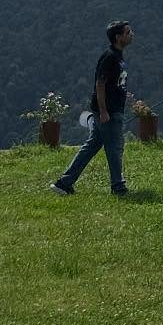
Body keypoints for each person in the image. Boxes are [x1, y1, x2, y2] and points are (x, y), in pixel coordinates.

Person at [52, 21, 134, 197]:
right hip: (108, 113)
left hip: (112, 110)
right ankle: (118, 186)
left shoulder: (118, 56)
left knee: (91, 146)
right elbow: (100, 84)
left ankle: (64, 183)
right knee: (115, 148)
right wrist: (103, 111)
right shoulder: (110, 57)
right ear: (118, 37)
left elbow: (113, 83)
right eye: (127, 32)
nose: (131, 34)